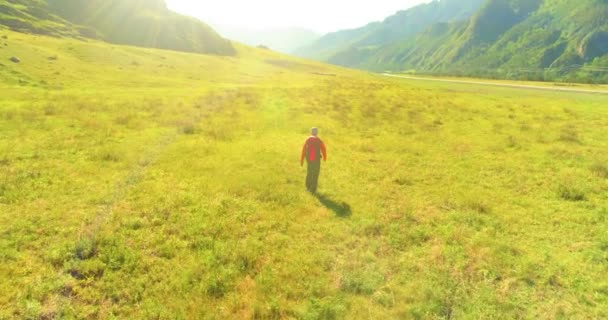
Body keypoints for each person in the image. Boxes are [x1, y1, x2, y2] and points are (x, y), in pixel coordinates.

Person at [301, 127, 327, 194]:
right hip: (316, 159)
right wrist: (324, 157)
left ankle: (308, 186)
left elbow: (303, 149)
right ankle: (313, 189)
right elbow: (323, 149)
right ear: (317, 132)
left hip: (309, 158)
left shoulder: (308, 139)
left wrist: (302, 159)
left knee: (309, 171)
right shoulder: (318, 140)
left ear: (311, 132)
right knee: (315, 173)